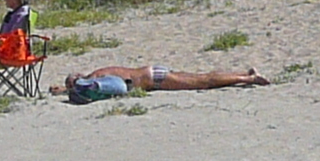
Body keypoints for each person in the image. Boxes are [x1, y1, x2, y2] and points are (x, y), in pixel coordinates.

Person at [61, 63, 271, 102]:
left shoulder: (96, 77)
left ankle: (248, 77)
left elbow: (118, 84)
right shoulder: (98, 74)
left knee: (203, 82)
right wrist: (62, 89)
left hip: (156, 78)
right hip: (154, 75)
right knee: (201, 78)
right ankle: (244, 74)